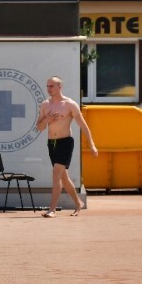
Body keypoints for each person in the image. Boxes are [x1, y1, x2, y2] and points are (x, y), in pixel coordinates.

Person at [36, 76, 99, 218]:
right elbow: (39, 127)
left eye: (51, 86)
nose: (49, 89)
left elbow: (83, 125)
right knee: (63, 178)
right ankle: (78, 203)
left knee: (56, 173)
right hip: (52, 143)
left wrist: (92, 144)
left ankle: (52, 209)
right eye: (47, 86)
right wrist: (47, 120)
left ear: (59, 86)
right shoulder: (45, 105)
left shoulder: (70, 104)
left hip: (65, 142)